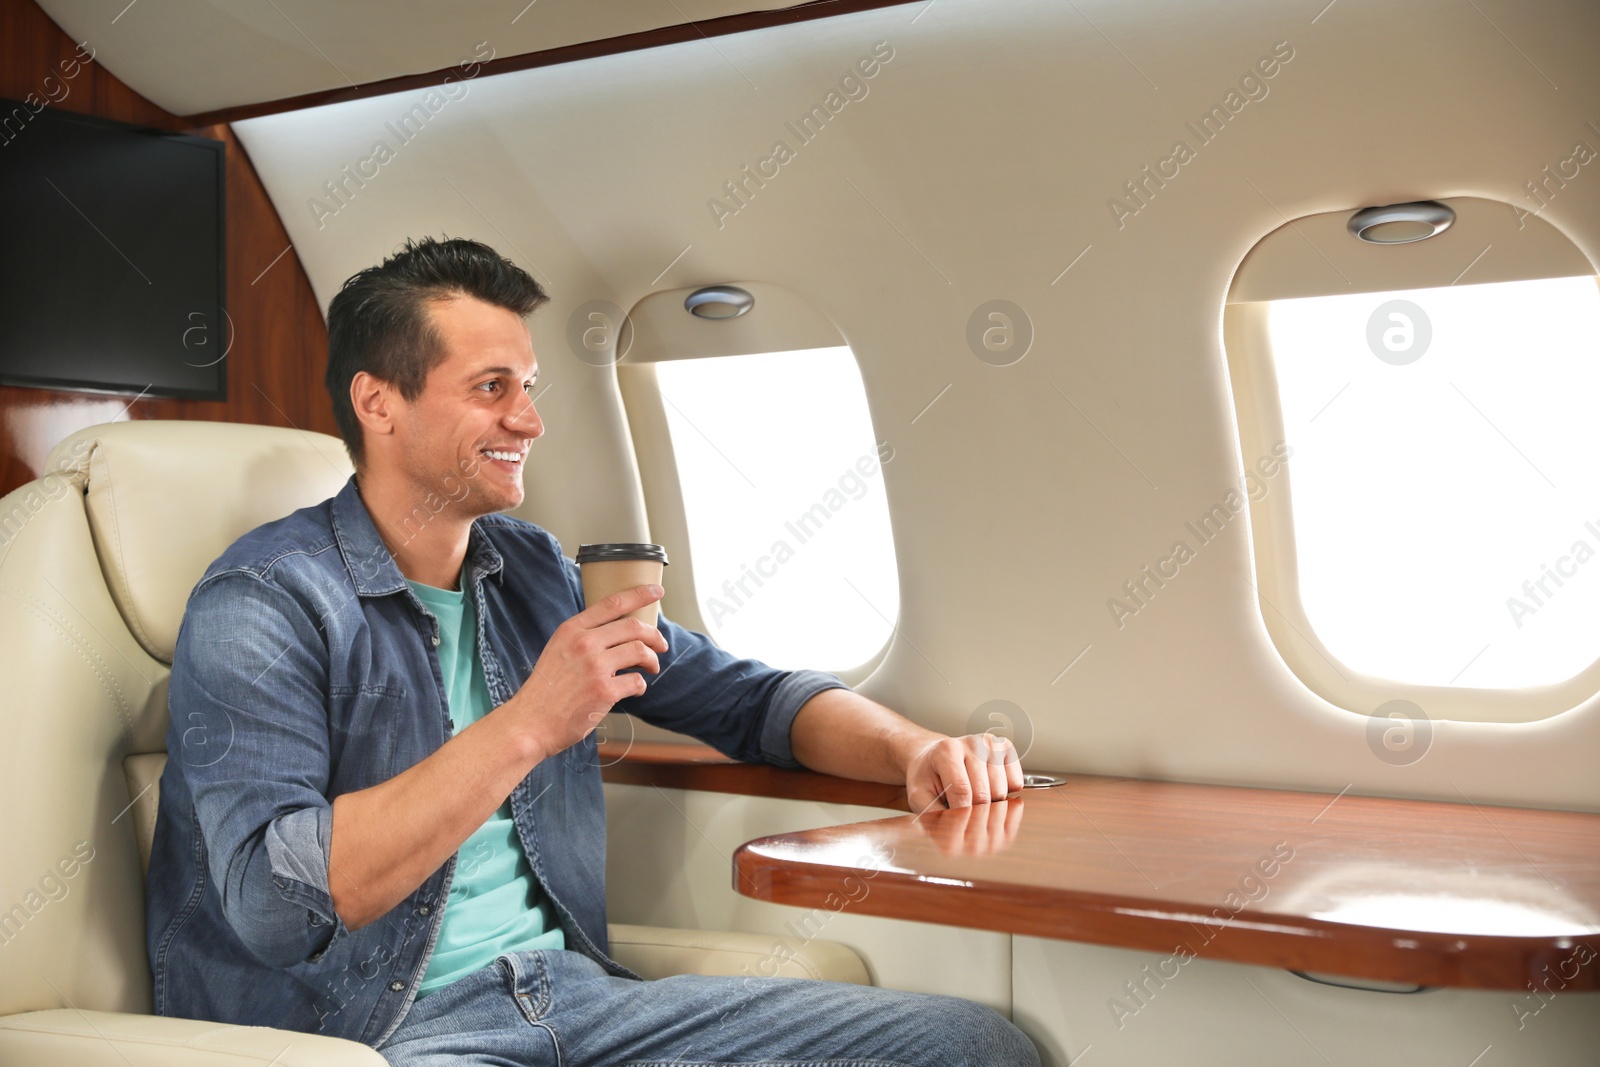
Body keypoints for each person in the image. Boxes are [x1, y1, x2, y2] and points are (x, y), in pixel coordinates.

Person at [147, 236, 1040, 1066]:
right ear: (378, 400)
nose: (530, 420)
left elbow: (748, 701)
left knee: (974, 1047)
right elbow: (274, 903)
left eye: (529, 386)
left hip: (574, 1001)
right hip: (375, 1033)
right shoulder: (262, 604)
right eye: (492, 387)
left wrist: (913, 750)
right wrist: (532, 722)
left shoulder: (530, 568)